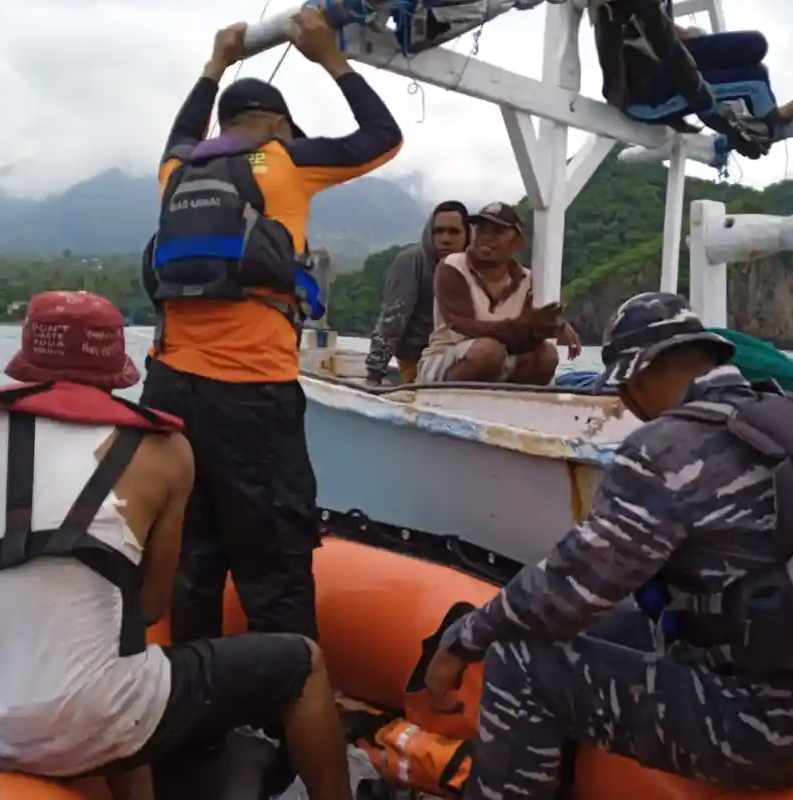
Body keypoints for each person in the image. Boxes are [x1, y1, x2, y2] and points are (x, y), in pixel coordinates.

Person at [420, 292, 793, 798]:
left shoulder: (666, 451)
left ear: (635, 378)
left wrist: (464, 640)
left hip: (754, 734)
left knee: (518, 661)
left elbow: (568, 589)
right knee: (622, 622)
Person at [0, 291, 352, 800]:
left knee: (118, 691)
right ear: (114, 365)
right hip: (102, 722)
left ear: (29, 353)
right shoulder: (167, 450)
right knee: (303, 663)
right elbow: (150, 606)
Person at [140, 10, 402, 645]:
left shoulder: (177, 171)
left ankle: (200, 694)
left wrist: (215, 63)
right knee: (276, 567)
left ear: (222, 124)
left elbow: (182, 131)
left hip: (167, 392)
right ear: (279, 124)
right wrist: (329, 57)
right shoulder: (282, 159)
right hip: (251, 394)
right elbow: (384, 137)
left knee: (192, 561)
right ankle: (285, 693)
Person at [416, 202, 582, 385]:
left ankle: (513, 399)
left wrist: (554, 324)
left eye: (498, 232)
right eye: (482, 230)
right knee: (488, 351)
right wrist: (528, 326)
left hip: (501, 361)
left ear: (518, 243)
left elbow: (529, 333)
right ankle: (443, 396)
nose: (487, 237)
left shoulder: (528, 280)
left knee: (547, 355)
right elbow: (463, 326)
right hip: (445, 359)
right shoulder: (451, 266)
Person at [364, 201, 469, 386]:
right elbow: (392, 321)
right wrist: (374, 373)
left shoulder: (473, 266)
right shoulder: (412, 262)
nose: (445, 239)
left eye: (454, 232)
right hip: (418, 361)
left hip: (462, 354)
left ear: (467, 235)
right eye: (439, 231)